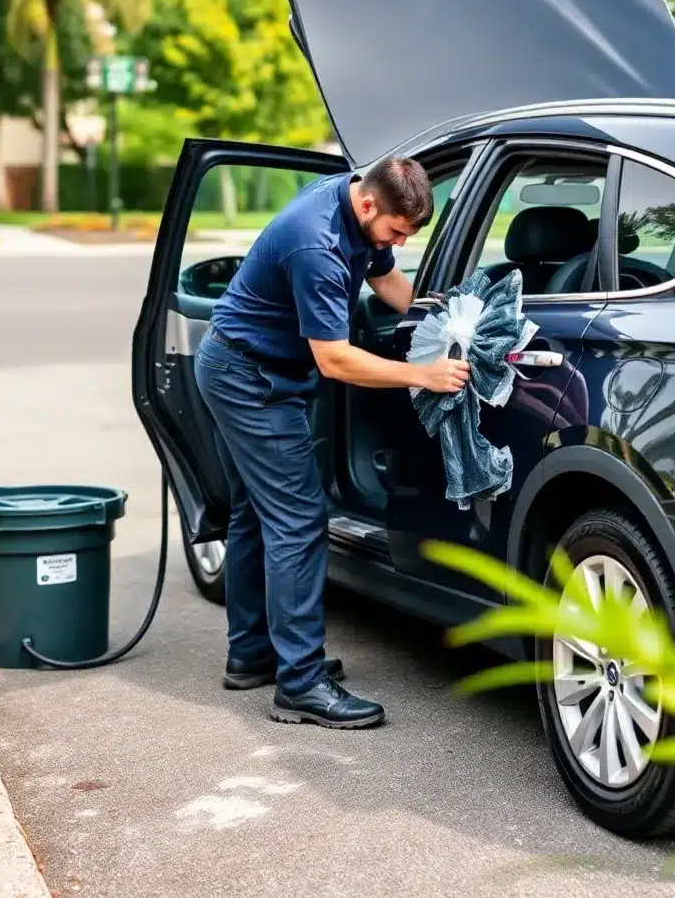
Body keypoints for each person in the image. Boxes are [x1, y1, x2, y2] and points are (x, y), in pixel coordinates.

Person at [194, 156, 470, 730]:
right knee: (297, 520)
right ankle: (300, 684)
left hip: (237, 364)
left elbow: (384, 277)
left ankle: (252, 655)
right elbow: (335, 360)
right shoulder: (314, 244)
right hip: (251, 379)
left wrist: (442, 320)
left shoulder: (357, 205)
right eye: (396, 230)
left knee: (253, 514)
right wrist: (423, 374)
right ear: (368, 205)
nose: (398, 242)